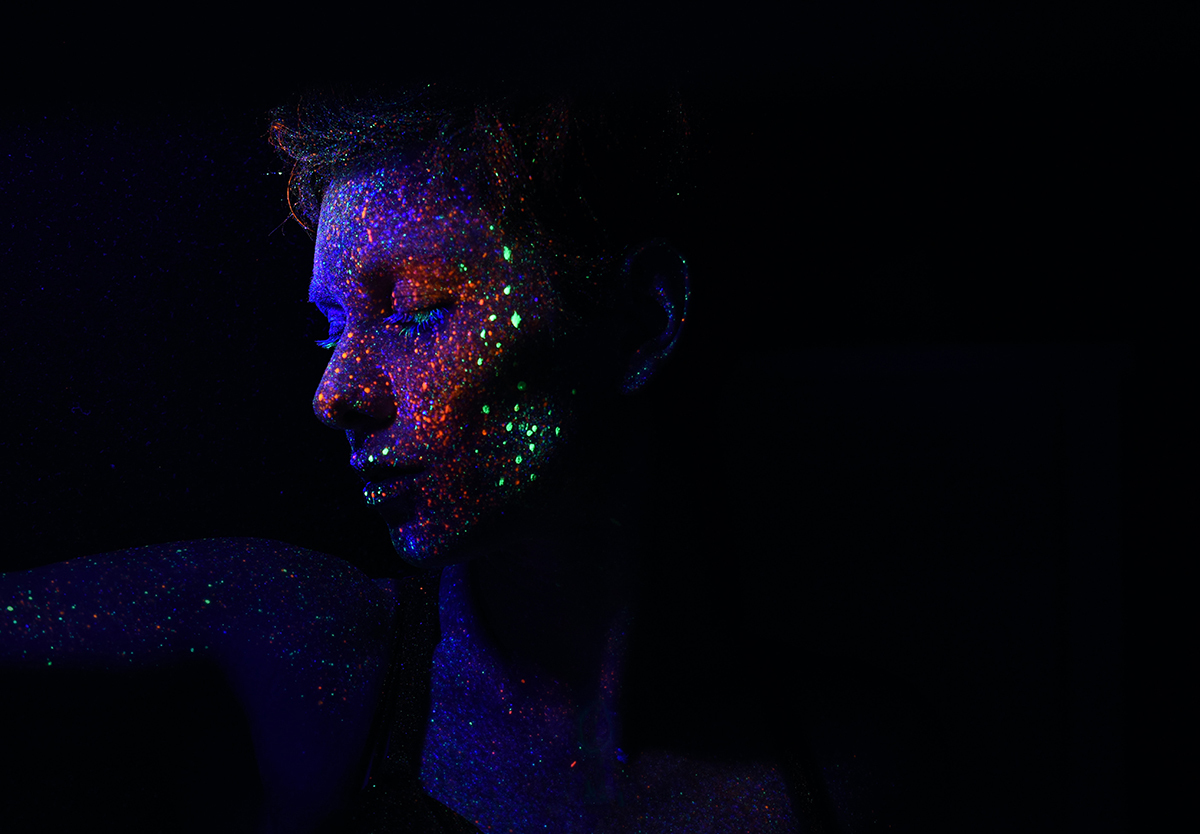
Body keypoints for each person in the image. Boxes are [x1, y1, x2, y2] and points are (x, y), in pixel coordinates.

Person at [0, 82, 832, 833]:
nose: (333, 393)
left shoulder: (851, 769)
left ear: (641, 321)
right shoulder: (299, 637)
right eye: (331, 327)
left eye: (414, 308)